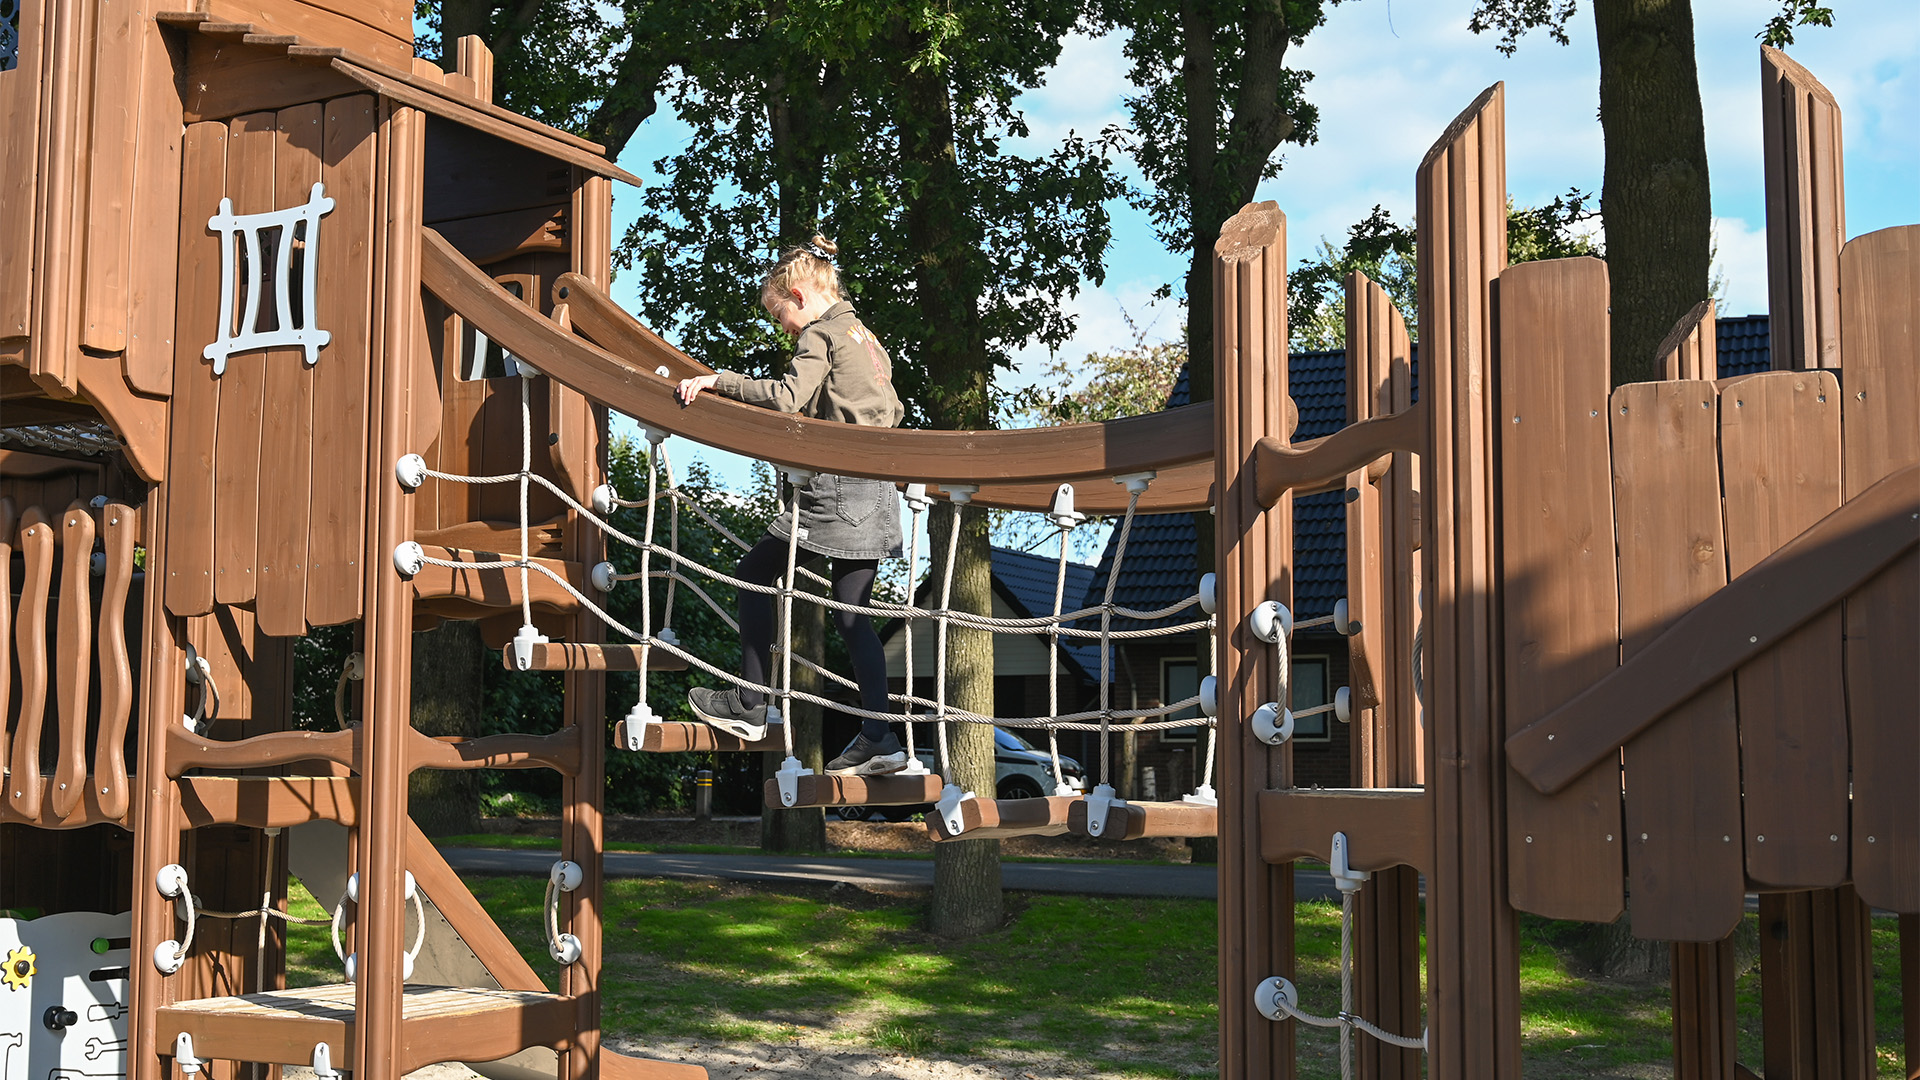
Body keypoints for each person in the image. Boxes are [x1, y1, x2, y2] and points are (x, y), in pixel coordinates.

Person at [674, 236, 910, 776]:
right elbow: (890, 407)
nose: (785, 328)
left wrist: (717, 382)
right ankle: (880, 736)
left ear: (799, 297)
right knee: (852, 617)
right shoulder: (866, 337)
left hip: (839, 491)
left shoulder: (821, 335)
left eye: (782, 317)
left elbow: (786, 397)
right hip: (879, 489)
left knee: (754, 570)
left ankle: (751, 704)